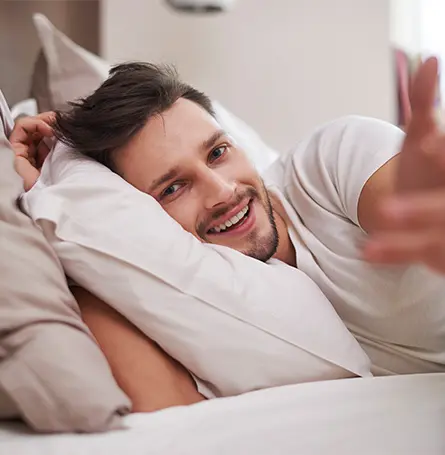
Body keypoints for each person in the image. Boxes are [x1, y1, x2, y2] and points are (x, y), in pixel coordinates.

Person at [10, 57, 445, 409]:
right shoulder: (194, 297)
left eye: (218, 152)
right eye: (173, 187)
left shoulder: (336, 159)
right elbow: (160, 407)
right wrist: (53, 192)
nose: (222, 192)